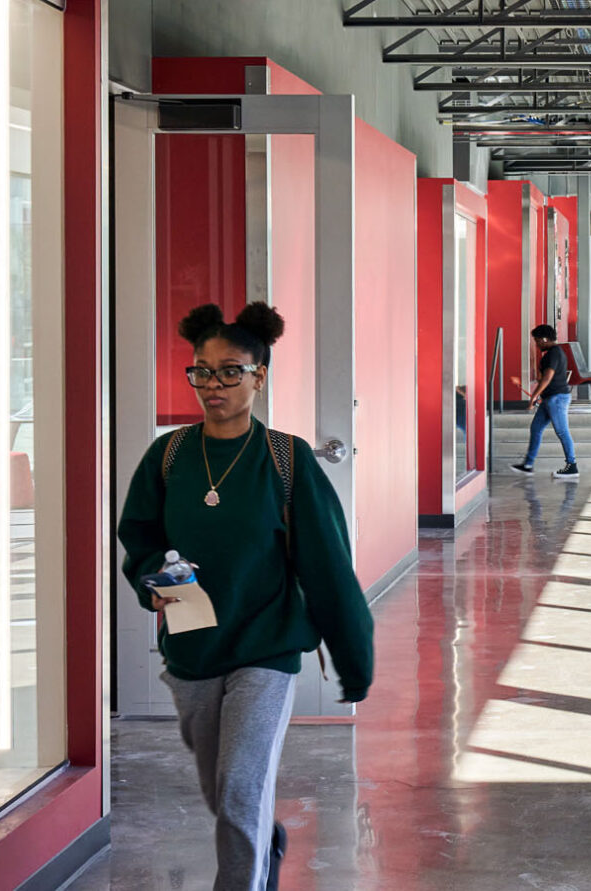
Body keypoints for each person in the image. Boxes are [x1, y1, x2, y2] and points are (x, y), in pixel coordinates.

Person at [118, 302, 374, 891]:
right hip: (192, 650)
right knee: (224, 789)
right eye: (201, 371)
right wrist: (153, 579)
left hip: (267, 646)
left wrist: (354, 660)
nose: (214, 385)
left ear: (259, 376)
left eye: (231, 371)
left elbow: (329, 566)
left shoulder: (286, 459)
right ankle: (265, 840)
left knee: (238, 790)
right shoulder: (170, 456)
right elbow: (140, 537)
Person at [510, 324, 580, 479]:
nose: (536, 344)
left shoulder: (554, 353)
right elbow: (545, 378)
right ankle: (528, 465)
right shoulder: (551, 353)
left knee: (562, 431)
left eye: (537, 341)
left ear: (544, 339)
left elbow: (547, 378)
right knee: (536, 428)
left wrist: (534, 397)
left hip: (557, 398)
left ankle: (572, 466)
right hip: (549, 399)